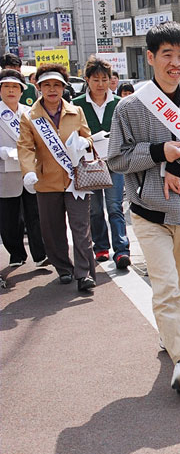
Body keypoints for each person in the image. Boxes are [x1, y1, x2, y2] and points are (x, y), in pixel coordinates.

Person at [108, 21, 180, 393]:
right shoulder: (129, 107)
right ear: (150, 58)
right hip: (149, 211)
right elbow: (116, 158)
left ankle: (174, 334)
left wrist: (177, 164)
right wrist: (159, 155)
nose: (176, 63)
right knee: (166, 285)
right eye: (167, 56)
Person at [17, 63, 95, 292]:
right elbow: (25, 147)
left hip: (76, 180)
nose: (52, 89)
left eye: (57, 85)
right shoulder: (30, 117)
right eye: (47, 85)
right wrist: (28, 171)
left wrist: (84, 143)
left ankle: (84, 273)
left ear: (63, 87)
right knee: (52, 230)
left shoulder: (76, 111)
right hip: (46, 180)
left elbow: (88, 139)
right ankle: (64, 268)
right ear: (38, 87)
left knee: (81, 227)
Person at [72, 57, 130, 269]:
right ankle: (101, 247)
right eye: (95, 79)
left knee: (115, 207)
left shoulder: (119, 104)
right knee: (95, 210)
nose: (100, 84)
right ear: (87, 80)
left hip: (114, 163)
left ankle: (122, 250)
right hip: (88, 165)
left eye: (104, 79)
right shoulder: (77, 105)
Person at [0, 68, 47, 270]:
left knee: (35, 213)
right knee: (9, 218)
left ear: (21, 91)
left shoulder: (29, 113)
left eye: (15, 87)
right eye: (6, 87)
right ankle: (16, 253)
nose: (11, 91)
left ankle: (41, 254)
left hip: (29, 171)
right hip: (5, 171)